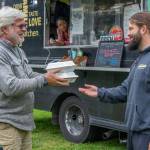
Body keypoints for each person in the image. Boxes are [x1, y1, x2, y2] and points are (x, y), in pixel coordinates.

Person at [0, 6, 69, 150]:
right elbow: (10, 86)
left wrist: (52, 76)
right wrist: (44, 79)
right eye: (21, 25)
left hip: (24, 122)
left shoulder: (17, 49)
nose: (25, 28)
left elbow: (29, 75)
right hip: (8, 123)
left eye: (25, 25)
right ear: (5, 28)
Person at [79, 12, 150, 150]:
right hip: (132, 131)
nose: (127, 33)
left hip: (146, 136)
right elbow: (125, 90)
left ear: (143, 29)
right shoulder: (139, 60)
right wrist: (100, 92)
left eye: (131, 28)